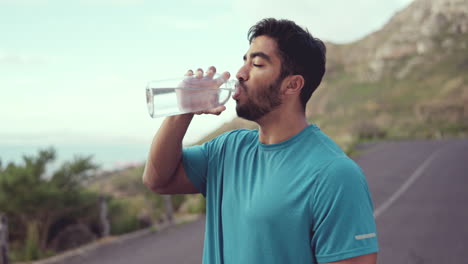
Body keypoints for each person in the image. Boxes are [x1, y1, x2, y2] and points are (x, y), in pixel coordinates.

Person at [143, 18, 379, 264]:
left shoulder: (335, 175)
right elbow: (157, 180)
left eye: (256, 64)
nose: (241, 73)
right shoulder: (228, 149)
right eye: (244, 61)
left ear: (292, 85)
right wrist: (184, 110)